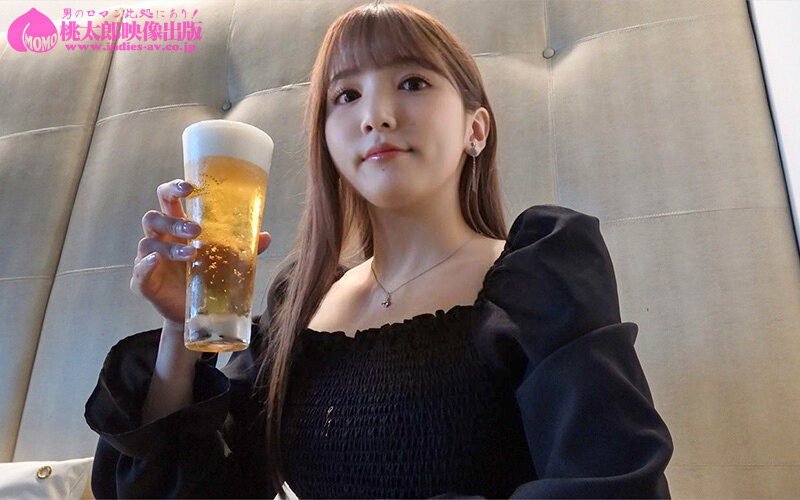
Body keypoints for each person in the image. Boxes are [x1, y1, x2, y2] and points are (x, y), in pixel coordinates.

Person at [84, 1, 674, 498]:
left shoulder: (542, 274)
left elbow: (613, 482)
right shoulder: (298, 304)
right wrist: (181, 331)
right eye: (345, 95)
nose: (376, 116)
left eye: (412, 83)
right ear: (326, 141)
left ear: (476, 129)